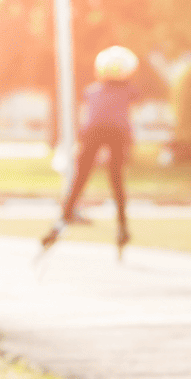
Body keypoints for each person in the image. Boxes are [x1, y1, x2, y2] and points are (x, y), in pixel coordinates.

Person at [41, 45, 139, 253]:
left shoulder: (93, 91)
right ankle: (121, 225)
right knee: (115, 179)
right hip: (113, 133)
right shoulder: (128, 91)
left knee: (82, 176)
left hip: (95, 133)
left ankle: (66, 214)